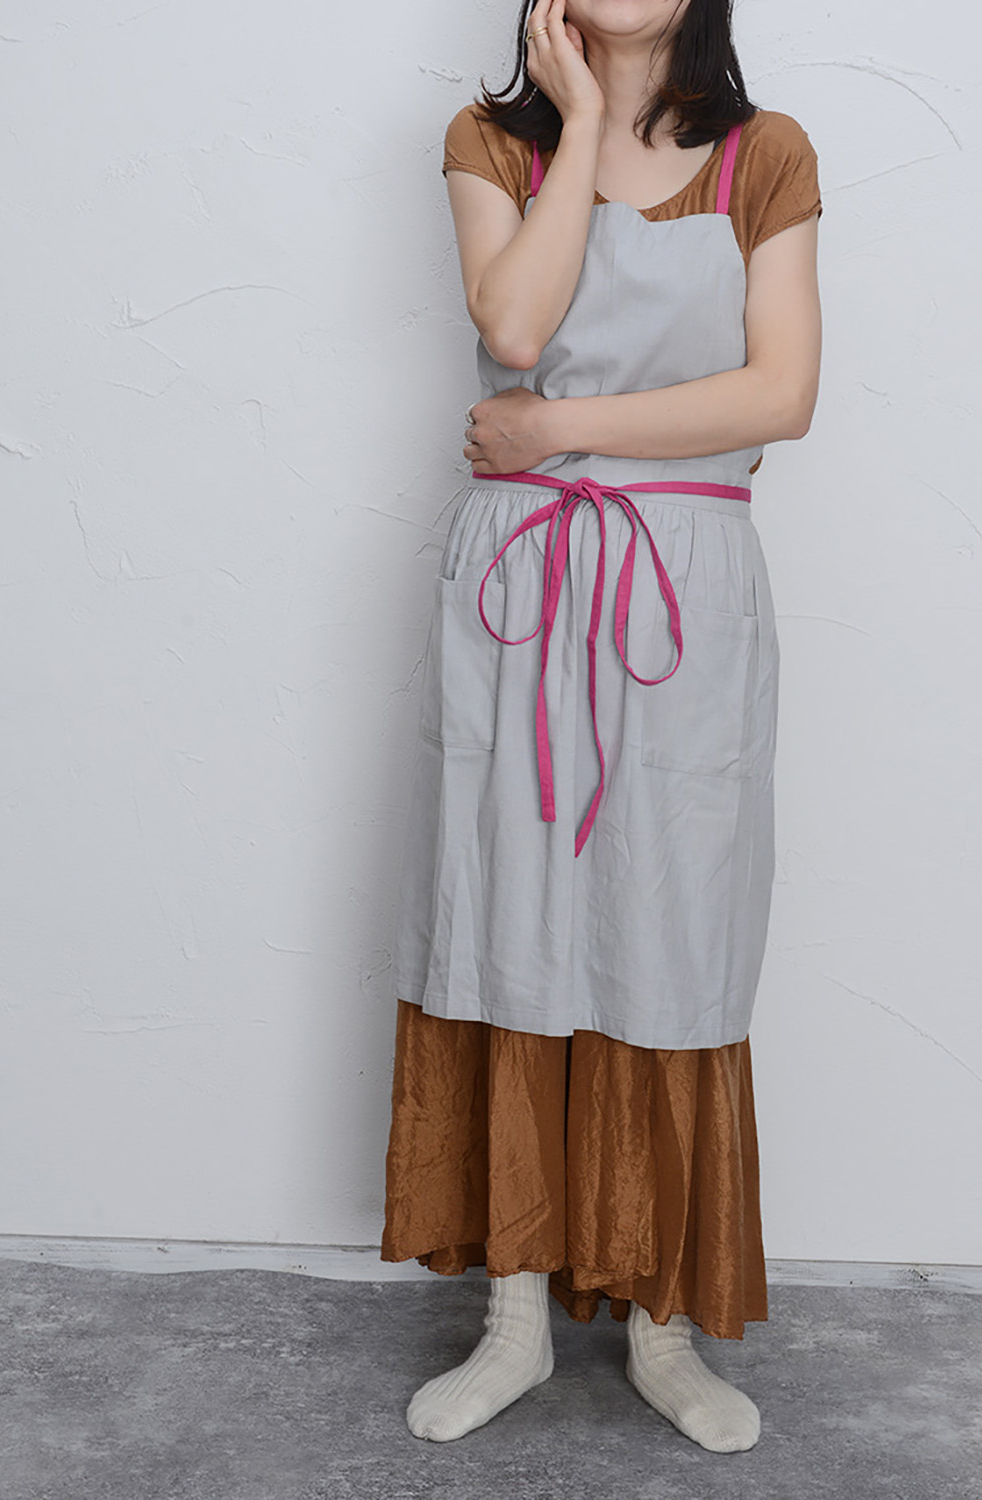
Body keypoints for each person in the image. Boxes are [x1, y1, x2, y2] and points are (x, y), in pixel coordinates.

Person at [379, 0, 822, 1454]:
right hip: (520, 590)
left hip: (680, 588)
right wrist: (576, 123)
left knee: (672, 928)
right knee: (508, 917)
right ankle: (513, 1323)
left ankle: (661, 1327)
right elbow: (512, 325)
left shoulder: (765, 155)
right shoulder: (493, 143)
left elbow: (782, 393)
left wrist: (558, 428)